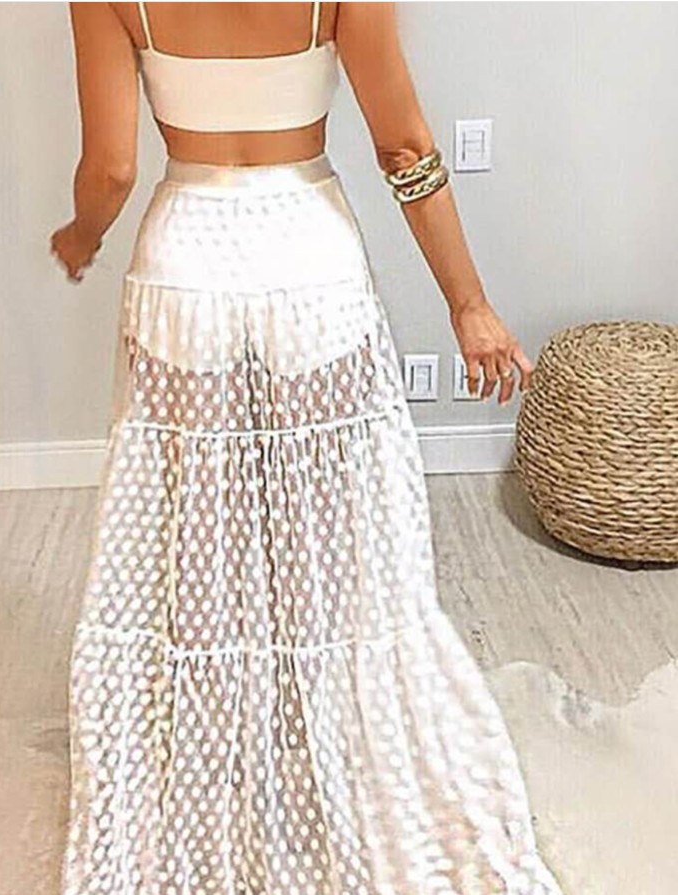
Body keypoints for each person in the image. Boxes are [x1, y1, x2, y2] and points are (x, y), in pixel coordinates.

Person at [51, 4, 565, 893]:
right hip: (309, 268)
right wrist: (468, 305)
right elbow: (404, 150)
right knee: (338, 545)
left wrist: (80, 235)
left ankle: (209, 759)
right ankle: (334, 746)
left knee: (194, 542)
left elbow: (112, 168)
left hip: (186, 275)